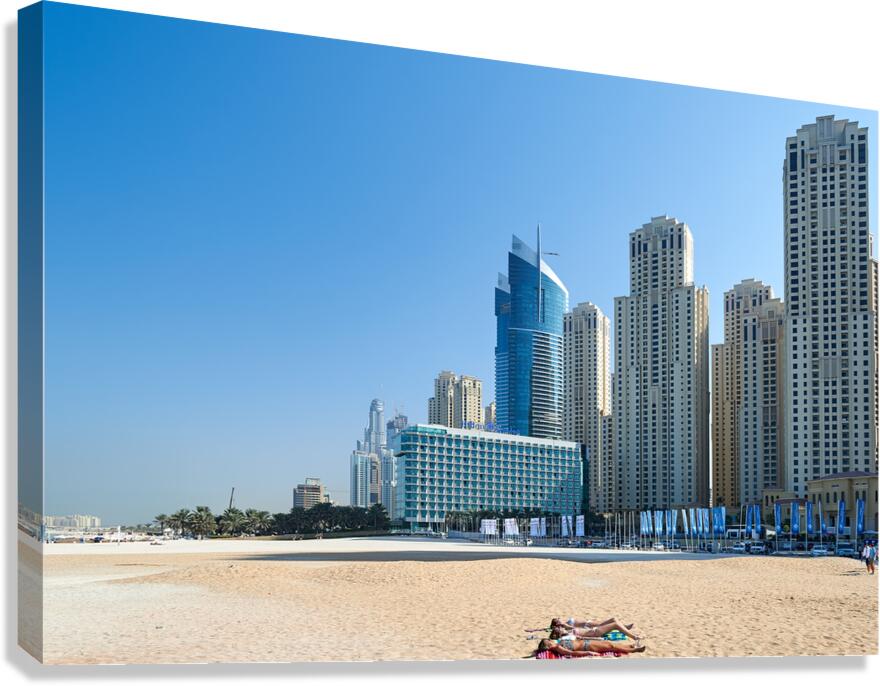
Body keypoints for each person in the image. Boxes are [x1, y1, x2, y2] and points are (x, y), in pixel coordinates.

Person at [530, 637, 646, 658]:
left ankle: (629, 646)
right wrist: (588, 653)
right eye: (548, 642)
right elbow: (572, 653)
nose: (550, 641)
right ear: (548, 646)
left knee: (610, 644)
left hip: (587, 642)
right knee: (611, 646)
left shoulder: (557, 644)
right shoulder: (558, 648)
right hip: (587, 646)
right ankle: (635, 649)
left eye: (549, 640)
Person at [549, 618, 640, 641]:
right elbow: (583, 638)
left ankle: (625, 627)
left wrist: (565, 626)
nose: (561, 629)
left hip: (593, 628)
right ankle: (633, 637)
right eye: (559, 629)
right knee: (615, 624)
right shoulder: (569, 636)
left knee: (614, 620)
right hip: (596, 632)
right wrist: (599, 639)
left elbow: (577, 629)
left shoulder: (567, 630)